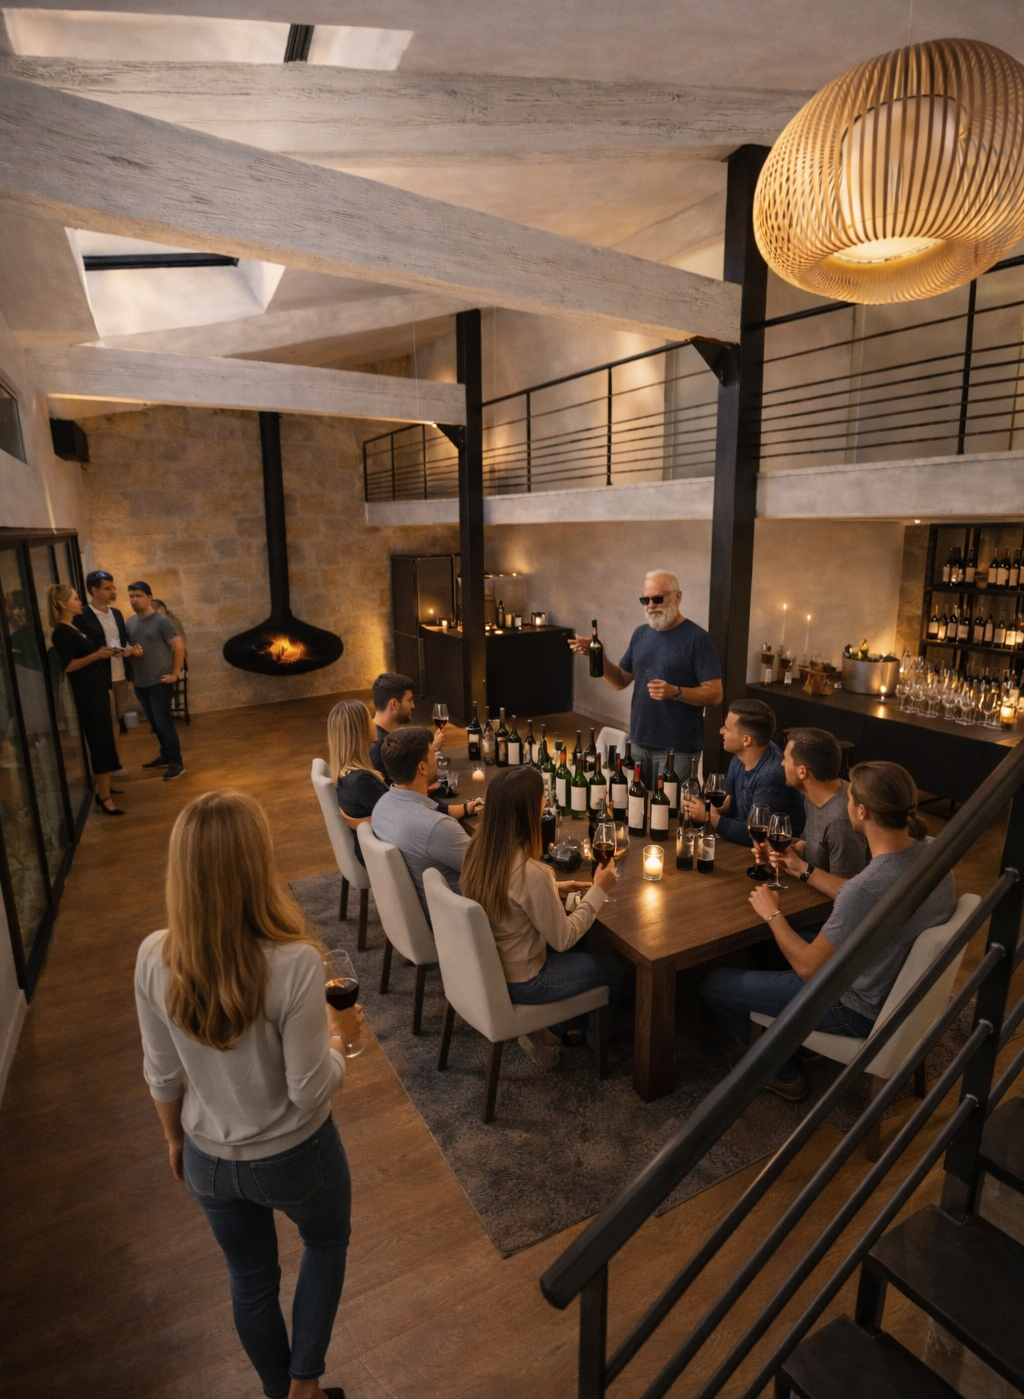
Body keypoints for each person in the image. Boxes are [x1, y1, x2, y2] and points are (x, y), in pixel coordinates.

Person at [134, 790, 357, 1399]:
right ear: (257, 864)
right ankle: (305, 1386)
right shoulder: (294, 963)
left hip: (210, 1160)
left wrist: (174, 1139)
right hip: (296, 1155)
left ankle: (276, 1392)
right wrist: (344, 1043)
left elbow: (161, 1074)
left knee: (250, 1279)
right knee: (326, 1239)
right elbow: (308, 1091)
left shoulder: (154, 956)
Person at [699, 761, 957, 1102]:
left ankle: (782, 1072)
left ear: (862, 811)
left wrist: (772, 913)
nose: (845, 804)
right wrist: (801, 867)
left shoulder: (866, 889)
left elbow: (808, 966)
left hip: (854, 1007)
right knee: (765, 948)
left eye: (849, 799)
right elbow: (862, 895)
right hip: (887, 981)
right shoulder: (934, 851)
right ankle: (794, 1035)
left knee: (712, 983)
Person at [461, 766, 622, 1068]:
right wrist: (600, 889)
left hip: (493, 968)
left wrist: (553, 889)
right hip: (525, 980)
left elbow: (506, 892)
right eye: (541, 805)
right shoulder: (533, 874)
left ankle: (559, 1025)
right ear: (527, 814)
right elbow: (563, 939)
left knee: (584, 948)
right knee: (613, 969)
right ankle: (564, 1037)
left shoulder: (478, 849)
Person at [568, 569, 723, 789]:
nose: (650, 605)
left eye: (657, 598)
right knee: (636, 810)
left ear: (677, 598)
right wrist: (598, 657)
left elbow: (716, 694)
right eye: (645, 599)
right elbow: (620, 680)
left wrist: (675, 692)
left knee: (668, 815)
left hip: (677, 748)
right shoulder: (641, 634)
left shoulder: (699, 639)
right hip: (639, 743)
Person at [327, 700, 481, 864]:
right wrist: (465, 808)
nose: (373, 723)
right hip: (385, 860)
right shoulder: (361, 781)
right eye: (368, 720)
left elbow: (396, 809)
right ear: (360, 731)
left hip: (378, 852)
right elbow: (404, 816)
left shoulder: (347, 774)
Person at [761, 728, 868, 898]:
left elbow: (849, 893)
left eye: (786, 759)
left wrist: (800, 868)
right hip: (811, 891)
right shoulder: (815, 795)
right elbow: (814, 849)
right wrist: (784, 853)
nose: (782, 764)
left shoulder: (841, 821)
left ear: (802, 771)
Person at [370, 726, 470, 906]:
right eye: (433, 752)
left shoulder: (380, 808)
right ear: (422, 767)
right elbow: (491, 870)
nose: (437, 759)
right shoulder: (436, 827)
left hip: (423, 911)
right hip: (460, 920)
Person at [681, 697, 804, 844]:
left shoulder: (771, 776)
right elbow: (730, 804)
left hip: (770, 856)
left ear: (746, 740)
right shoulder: (740, 757)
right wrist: (719, 809)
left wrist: (709, 816)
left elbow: (758, 835)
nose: (721, 731)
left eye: (727, 728)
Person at [47, 583, 124, 815]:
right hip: (88, 695)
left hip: (97, 690)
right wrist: (96, 655)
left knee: (107, 739)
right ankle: (104, 797)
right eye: (75, 599)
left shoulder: (73, 627)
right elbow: (69, 665)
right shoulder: (61, 632)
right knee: (100, 742)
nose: (79, 602)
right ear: (62, 604)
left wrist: (105, 653)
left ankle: (105, 787)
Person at [125, 580, 186, 781]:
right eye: (131, 596)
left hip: (159, 681)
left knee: (163, 723)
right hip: (140, 682)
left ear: (149, 597)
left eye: (139, 595)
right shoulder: (130, 622)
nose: (134, 600)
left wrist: (174, 674)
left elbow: (178, 647)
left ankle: (176, 762)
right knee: (153, 723)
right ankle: (165, 755)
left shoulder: (161, 621)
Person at [74, 569, 135, 735]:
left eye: (113, 587)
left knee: (118, 719)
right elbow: (82, 648)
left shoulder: (116, 613)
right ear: (94, 590)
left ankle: (116, 755)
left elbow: (121, 639)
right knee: (104, 722)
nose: (113, 591)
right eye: (108, 588)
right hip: (100, 676)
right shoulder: (82, 616)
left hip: (120, 674)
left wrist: (128, 649)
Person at [369, 672, 444, 781]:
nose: (413, 705)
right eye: (409, 700)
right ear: (394, 704)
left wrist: (431, 750)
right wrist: (431, 752)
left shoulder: (380, 737)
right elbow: (406, 787)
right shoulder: (380, 747)